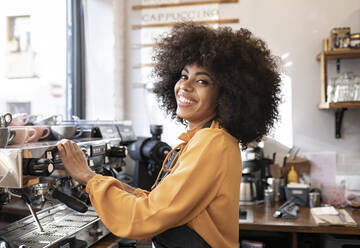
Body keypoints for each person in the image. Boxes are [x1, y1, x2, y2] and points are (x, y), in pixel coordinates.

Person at [57, 22, 281, 248]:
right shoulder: (204, 138)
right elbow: (162, 203)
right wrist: (115, 186)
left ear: (227, 95)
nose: (185, 86)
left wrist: (87, 177)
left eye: (202, 81)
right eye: (184, 76)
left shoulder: (212, 143)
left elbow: (148, 216)